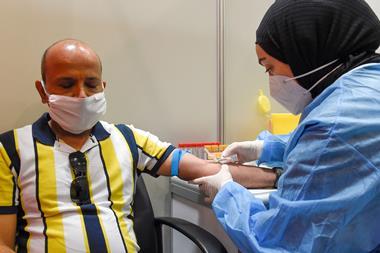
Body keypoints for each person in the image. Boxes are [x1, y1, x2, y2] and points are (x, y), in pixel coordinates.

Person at [0, 39, 277, 253]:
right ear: (43, 90)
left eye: (91, 84)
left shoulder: (126, 138)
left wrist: (277, 175)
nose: (82, 95)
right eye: (67, 84)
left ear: (103, 87)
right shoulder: (11, 149)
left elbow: (205, 169)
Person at [192, 0, 380, 252]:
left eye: (270, 67)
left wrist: (227, 193)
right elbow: (345, 146)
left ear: (305, 50)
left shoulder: (336, 123)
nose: (272, 80)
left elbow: (277, 242)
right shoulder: (368, 85)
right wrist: (266, 148)